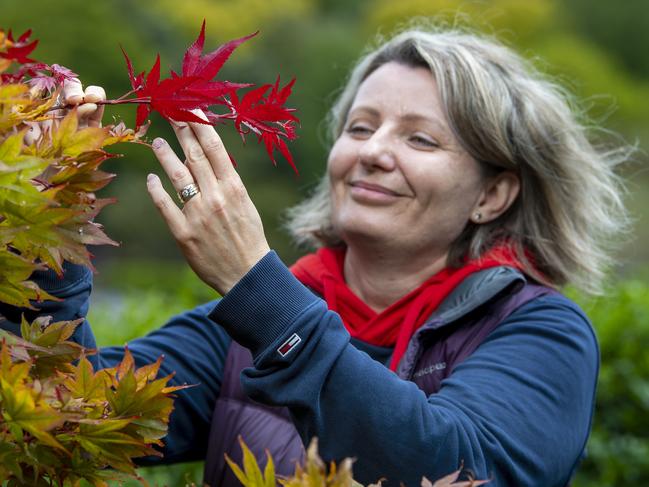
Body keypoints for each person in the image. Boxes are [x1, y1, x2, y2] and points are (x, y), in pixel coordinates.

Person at [0, 24, 630, 487]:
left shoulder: (539, 331)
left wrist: (261, 294)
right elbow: (63, 415)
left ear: (493, 194)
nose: (373, 151)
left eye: (420, 137)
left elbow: (456, 466)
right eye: (360, 127)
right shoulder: (238, 334)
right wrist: (44, 224)